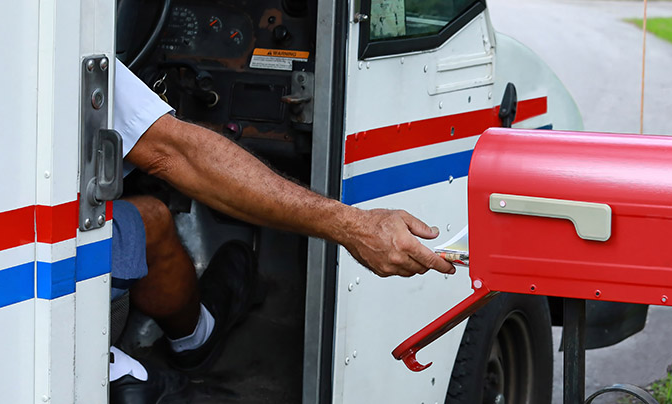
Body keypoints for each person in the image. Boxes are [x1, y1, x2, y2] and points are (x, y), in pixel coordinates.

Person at [107, 59, 456, 403]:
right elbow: (177, 153)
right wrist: (354, 226)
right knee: (152, 217)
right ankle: (191, 343)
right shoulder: (76, 52)